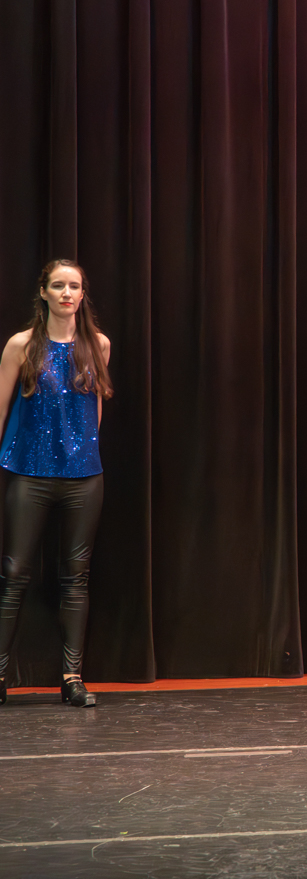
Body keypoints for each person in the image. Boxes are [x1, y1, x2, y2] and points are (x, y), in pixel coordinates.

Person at [0, 260, 112, 708]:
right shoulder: (22, 345)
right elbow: (2, 407)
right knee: (14, 573)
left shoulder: (98, 345)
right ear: (43, 292)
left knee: (75, 576)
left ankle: (72, 677)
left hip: (83, 477)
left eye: (74, 286)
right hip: (30, 474)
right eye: (58, 285)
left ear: (82, 295)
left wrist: (84, 453)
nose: (67, 293)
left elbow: (95, 408)